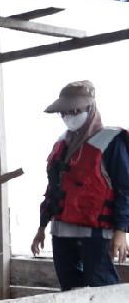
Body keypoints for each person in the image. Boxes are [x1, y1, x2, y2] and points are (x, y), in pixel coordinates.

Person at [32, 80, 129, 289]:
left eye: (75, 110)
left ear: (91, 108)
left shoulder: (112, 142)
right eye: (64, 113)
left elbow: (125, 189)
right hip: (61, 234)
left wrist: (121, 231)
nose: (69, 117)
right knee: (69, 291)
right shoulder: (62, 144)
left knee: (103, 290)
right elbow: (53, 188)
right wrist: (41, 226)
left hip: (96, 235)